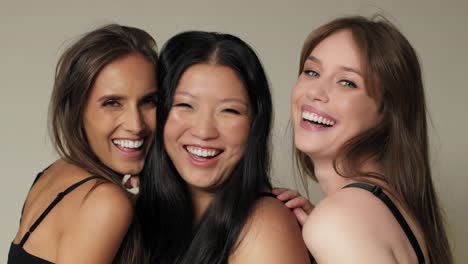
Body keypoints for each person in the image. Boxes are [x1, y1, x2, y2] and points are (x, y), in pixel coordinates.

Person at [287, 16, 453, 263]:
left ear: (388, 112)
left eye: (347, 82)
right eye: (312, 72)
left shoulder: (342, 219)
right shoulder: (378, 210)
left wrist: (331, 227)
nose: (315, 92)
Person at [137, 31, 311, 263]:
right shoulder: (147, 217)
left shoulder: (263, 226)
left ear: (254, 125)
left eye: (229, 110)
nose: (204, 131)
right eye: (185, 105)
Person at [9, 24, 158, 263]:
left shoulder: (55, 172)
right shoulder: (105, 202)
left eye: (149, 101)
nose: (136, 124)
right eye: (112, 103)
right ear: (78, 109)